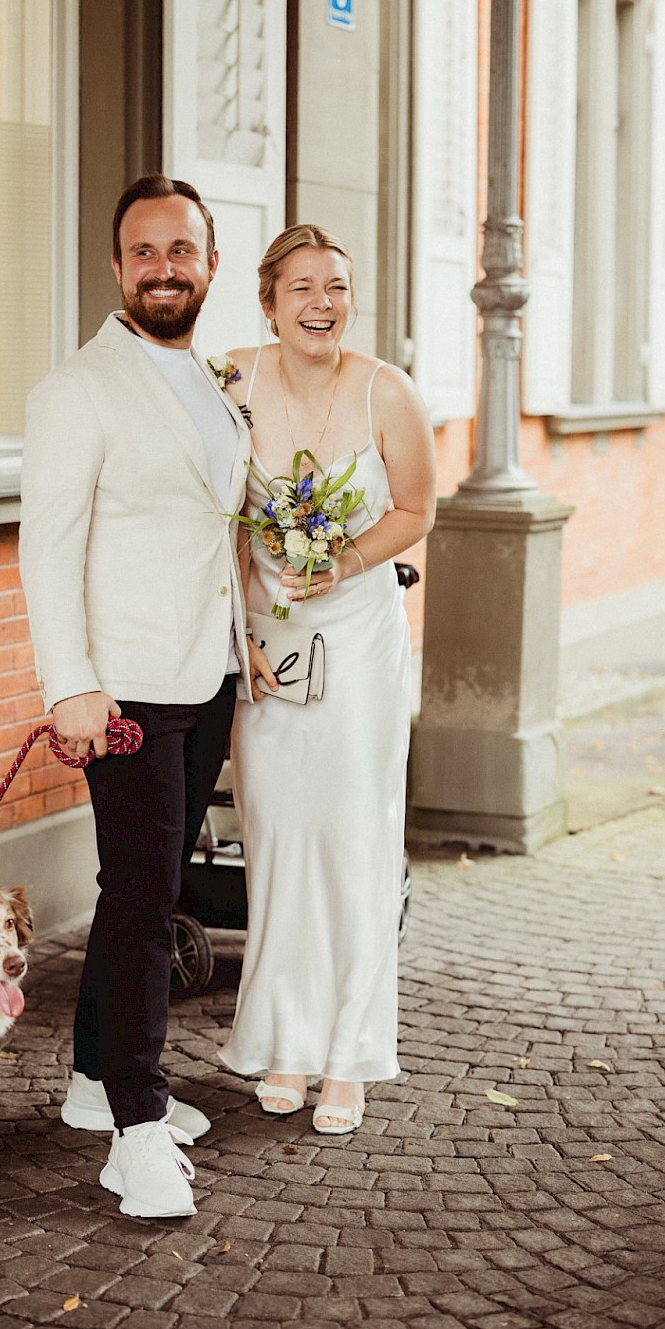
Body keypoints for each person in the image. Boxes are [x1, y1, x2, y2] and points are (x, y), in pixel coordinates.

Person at [19, 175, 251, 1217]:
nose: (165, 266)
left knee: (140, 885)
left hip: (208, 671)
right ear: (117, 268)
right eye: (145, 250)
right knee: (145, 896)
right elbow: (46, 548)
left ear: (210, 263)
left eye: (183, 249)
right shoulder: (79, 388)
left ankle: (87, 1079)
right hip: (124, 689)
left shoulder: (207, 378)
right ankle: (137, 1127)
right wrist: (69, 683)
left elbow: (215, 528)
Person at [218, 224, 436, 1133]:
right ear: (268, 301)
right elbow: (220, 515)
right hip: (272, 644)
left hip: (360, 642)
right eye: (302, 286)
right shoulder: (230, 381)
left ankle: (347, 1055)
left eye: (337, 286)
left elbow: (417, 508)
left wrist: (345, 559)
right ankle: (283, 1042)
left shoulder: (389, 390)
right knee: (278, 835)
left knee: (353, 834)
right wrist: (242, 632)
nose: (322, 303)